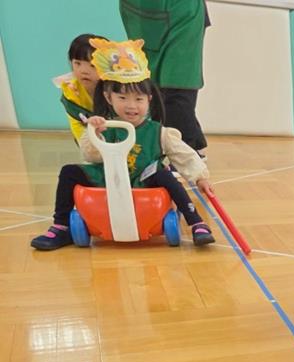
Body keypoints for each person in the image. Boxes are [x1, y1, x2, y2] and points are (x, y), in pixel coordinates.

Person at [30, 38, 215, 251]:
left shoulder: (159, 132)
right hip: (108, 177)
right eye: (122, 98)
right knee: (69, 172)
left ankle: (196, 222)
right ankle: (61, 226)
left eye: (138, 99)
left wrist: (200, 176)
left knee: (165, 175)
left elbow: (184, 155)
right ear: (109, 98)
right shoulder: (106, 126)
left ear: (149, 99)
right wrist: (94, 133)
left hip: (143, 178)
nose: (131, 106)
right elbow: (90, 155)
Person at [119, 0, 209, 153]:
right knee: (152, 85)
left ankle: (186, 149)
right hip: (141, 11)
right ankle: (173, 145)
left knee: (177, 80)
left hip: (181, 12)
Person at [53, 34, 108, 147]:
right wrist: (87, 146)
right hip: (90, 138)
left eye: (93, 65)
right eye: (77, 63)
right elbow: (76, 124)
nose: (84, 71)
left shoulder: (117, 88)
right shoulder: (71, 91)